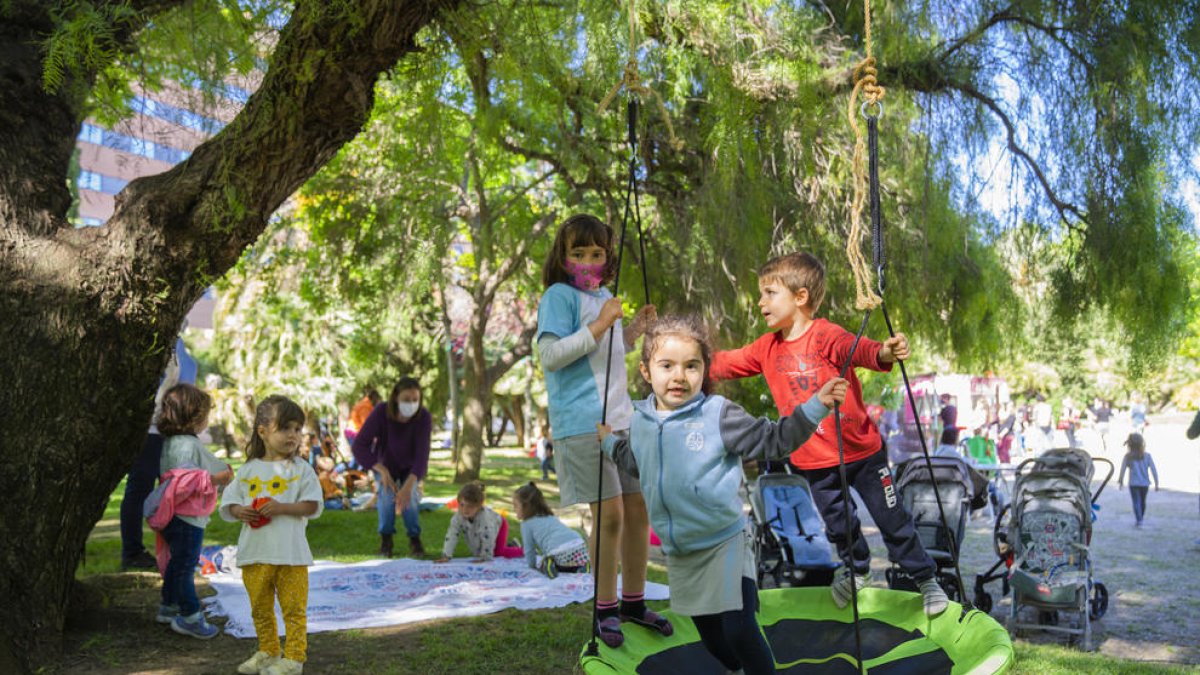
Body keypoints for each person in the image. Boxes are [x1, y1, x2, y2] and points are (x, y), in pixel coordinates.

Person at [598, 315, 848, 675]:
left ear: (705, 370)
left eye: (691, 366)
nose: (679, 376)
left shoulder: (718, 415)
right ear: (646, 371)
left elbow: (774, 440)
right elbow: (636, 462)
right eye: (667, 365)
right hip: (682, 551)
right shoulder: (641, 421)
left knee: (739, 630)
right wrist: (608, 442)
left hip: (724, 542)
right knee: (713, 639)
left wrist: (816, 405)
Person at [710, 251, 950, 617]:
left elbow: (861, 350)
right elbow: (727, 363)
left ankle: (925, 579)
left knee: (892, 519)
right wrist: (688, 359)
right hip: (814, 460)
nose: (760, 302)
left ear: (800, 297)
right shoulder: (766, 348)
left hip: (863, 454)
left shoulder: (825, 335)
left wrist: (885, 352)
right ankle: (856, 571)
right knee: (840, 526)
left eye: (769, 293)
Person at [536, 213, 665, 647]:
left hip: (622, 421)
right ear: (563, 257)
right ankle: (604, 609)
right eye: (579, 253)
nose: (589, 262)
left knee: (637, 510)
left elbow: (605, 352)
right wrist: (602, 323)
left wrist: (631, 331)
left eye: (597, 253)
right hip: (582, 424)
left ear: (608, 258)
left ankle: (633, 602)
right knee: (609, 515)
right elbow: (552, 356)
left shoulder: (605, 296)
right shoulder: (558, 296)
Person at [221, 395, 323, 675]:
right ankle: (268, 651)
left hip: (291, 554)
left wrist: (281, 508)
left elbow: (312, 505)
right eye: (285, 427)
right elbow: (229, 503)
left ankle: (294, 658)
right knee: (260, 607)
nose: (293, 435)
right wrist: (240, 511)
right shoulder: (248, 470)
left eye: (297, 429)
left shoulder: (302, 470)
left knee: (293, 608)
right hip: (254, 553)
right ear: (263, 431)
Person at [155, 383, 232, 638]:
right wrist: (221, 478)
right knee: (185, 567)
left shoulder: (169, 442)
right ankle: (190, 616)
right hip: (188, 517)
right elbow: (190, 481)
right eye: (205, 416)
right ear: (194, 416)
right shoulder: (189, 444)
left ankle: (168, 606)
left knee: (176, 564)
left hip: (171, 514)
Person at [120, 338, 195, 570]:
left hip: (174, 430)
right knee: (140, 490)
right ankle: (132, 552)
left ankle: (173, 550)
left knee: (173, 492)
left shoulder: (179, 345)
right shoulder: (155, 341)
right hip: (150, 430)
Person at [351, 378, 431, 558]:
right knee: (386, 498)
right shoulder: (381, 412)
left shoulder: (423, 417)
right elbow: (359, 445)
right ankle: (386, 539)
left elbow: (422, 456)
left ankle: (415, 539)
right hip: (385, 465)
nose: (411, 404)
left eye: (415, 400)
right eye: (406, 399)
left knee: (409, 498)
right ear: (396, 397)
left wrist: (408, 486)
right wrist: (380, 470)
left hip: (411, 468)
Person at [513, 482, 589, 577]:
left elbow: (529, 549)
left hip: (559, 552)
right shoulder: (550, 516)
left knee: (547, 560)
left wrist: (532, 566)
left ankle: (549, 564)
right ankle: (581, 567)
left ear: (526, 506)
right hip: (579, 545)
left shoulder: (526, 524)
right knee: (569, 561)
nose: (514, 509)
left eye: (515, 505)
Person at [434, 481, 524, 562]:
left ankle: (525, 551)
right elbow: (452, 535)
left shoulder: (484, 519)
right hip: (487, 529)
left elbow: (488, 538)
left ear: (479, 506)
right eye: (462, 505)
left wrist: (485, 558)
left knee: (498, 553)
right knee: (478, 551)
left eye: (470, 506)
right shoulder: (458, 517)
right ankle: (512, 546)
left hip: (499, 525)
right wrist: (446, 556)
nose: (465, 509)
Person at [1117, 433, 1159, 527]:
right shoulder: (1147, 456)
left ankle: (1139, 519)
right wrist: (1156, 483)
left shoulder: (1128, 457)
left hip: (1134, 483)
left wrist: (1121, 481)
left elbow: (1122, 470)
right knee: (1143, 501)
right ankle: (1141, 518)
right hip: (1145, 484)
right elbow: (1153, 470)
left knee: (1136, 501)